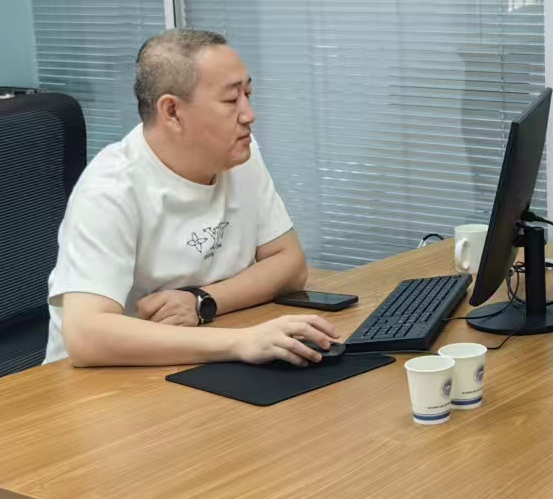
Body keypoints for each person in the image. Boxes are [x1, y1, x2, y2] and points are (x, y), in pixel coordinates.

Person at [45, 29, 339, 368]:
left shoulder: (239, 155)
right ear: (172, 111)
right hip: (100, 381)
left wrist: (201, 302)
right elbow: (86, 335)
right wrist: (240, 341)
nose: (249, 114)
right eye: (231, 101)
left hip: (196, 353)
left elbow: (290, 264)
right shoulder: (110, 188)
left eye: (248, 94)